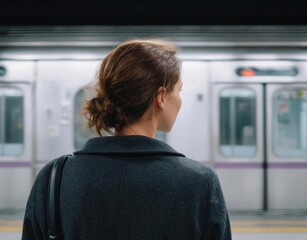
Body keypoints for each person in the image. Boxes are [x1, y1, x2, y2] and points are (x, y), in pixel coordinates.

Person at [22, 39, 231, 240]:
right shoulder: (199, 182)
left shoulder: (54, 178)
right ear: (161, 97)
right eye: (179, 90)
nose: (180, 99)